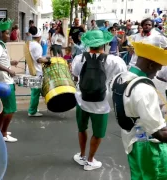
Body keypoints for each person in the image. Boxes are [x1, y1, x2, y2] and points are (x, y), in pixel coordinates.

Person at [71, 30, 127, 171]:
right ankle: (90, 160)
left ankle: (82, 155)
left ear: (88, 44)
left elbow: (76, 75)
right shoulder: (115, 61)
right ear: (105, 43)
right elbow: (121, 79)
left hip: (82, 100)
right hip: (102, 104)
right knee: (98, 133)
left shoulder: (79, 58)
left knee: (82, 128)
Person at [110, 41, 167, 180]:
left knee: (138, 175)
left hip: (131, 141)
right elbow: (160, 134)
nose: (156, 73)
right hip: (149, 148)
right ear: (150, 65)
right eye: (157, 69)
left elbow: (125, 106)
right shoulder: (144, 89)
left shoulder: (119, 78)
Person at [27, 26, 50, 117]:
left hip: (29, 70)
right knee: (35, 92)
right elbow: (39, 60)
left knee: (34, 91)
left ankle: (34, 108)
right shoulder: (37, 46)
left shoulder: (28, 44)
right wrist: (48, 60)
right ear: (39, 37)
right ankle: (32, 111)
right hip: (36, 72)